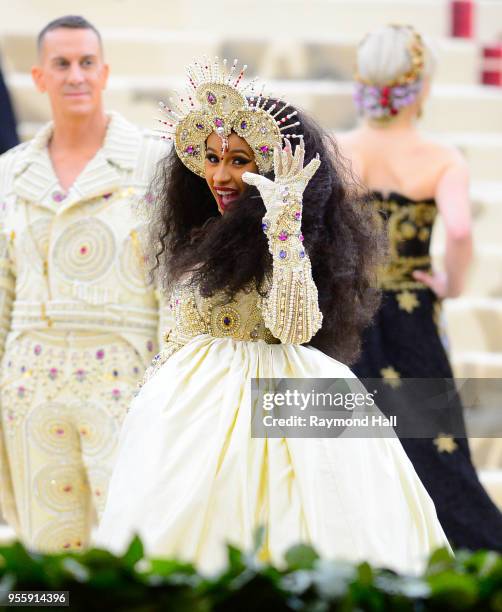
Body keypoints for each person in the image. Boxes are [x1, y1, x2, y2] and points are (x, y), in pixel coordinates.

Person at [97, 57, 450, 575]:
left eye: (239, 160)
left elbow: (294, 328)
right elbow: (177, 333)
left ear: (271, 165)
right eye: (213, 158)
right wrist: (153, 402)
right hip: (190, 409)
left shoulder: (290, 237)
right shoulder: (201, 236)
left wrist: (283, 227)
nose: (221, 174)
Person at [0, 15, 168, 552]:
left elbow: (172, 285)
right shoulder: (9, 172)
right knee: (46, 559)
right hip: (27, 391)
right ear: (39, 78)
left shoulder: (154, 162)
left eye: (86, 63)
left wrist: (169, 391)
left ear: (105, 72)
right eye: (62, 64)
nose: (76, 75)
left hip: (127, 382)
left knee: (129, 547)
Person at [338, 24, 502, 551]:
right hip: (412, 314)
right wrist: (450, 284)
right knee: (435, 448)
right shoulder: (441, 157)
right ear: (422, 86)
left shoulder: (339, 150)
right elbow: (458, 229)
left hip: (350, 314)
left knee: (349, 443)